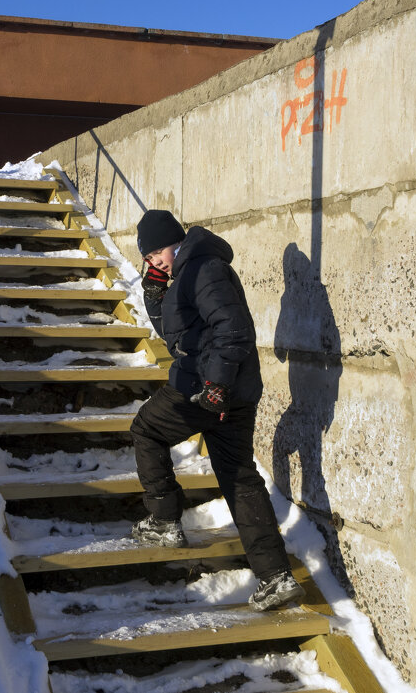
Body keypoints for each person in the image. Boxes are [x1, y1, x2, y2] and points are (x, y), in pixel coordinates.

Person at [129, 209, 304, 612]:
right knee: (240, 478)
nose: (154, 261)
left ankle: (164, 521)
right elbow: (181, 335)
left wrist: (216, 385)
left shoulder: (202, 268)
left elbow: (231, 327)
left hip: (206, 389)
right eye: (148, 256)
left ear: (176, 241)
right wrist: (155, 296)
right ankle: (275, 577)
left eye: (158, 251)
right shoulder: (190, 270)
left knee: (146, 430)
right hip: (228, 391)